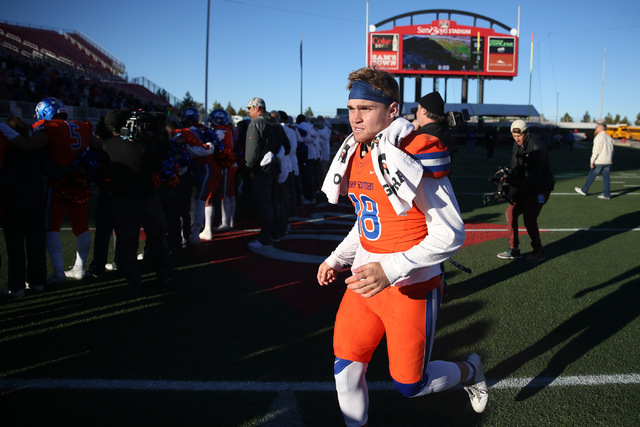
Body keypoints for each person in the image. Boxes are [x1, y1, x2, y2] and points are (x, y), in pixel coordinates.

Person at [317, 67, 487, 427]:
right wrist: (337, 258)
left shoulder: (411, 153)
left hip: (409, 287)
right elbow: (368, 218)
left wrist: (390, 268)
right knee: (345, 369)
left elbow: (451, 233)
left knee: (412, 385)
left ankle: (470, 371)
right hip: (364, 282)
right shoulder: (359, 150)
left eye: (365, 108)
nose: (355, 117)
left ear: (392, 110)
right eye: (351, 108)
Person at [0, 97, 102, 284]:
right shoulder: (82, 125)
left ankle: (58, 271)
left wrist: (5, 128)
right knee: (81, 226)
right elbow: (101, 147)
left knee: (52, 227)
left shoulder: (50, 128)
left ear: (44, 112)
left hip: (58, 183)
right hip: (79, 182)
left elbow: (27, 145)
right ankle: (80, 267)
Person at [102, 108, 178, 293]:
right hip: (146, 199)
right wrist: (156, 138)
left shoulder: (107, 145)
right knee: (158, 238)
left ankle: (134, 282)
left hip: (122, 200)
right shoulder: (142, 145)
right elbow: (158, 165)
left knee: (127, 243)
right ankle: (164, 274)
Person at [497, 120, 555, 263]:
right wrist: (508, 181)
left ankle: (538, 250)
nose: (516, 139)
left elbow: (535, 176)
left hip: (540, 188)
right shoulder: (517, 144)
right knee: (511, 212)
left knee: (529, 218)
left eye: (519, 135)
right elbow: (515, 166)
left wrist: (516, 188)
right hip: (526, 186)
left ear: (527, 133)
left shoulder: (538, 148)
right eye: (514, 135)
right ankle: (514, 249)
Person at [244, 97, 284, 249]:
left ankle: (266, 238)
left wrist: (249, 168)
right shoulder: (277, 124)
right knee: (275, 201)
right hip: (275, 170)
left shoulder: (256, 123)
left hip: (261, 171)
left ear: (257, 108)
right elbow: (285, 146)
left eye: (249, 108)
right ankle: (277, 232)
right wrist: (276, 158)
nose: (248, 111)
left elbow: (252, 152)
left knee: (265, 205)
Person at [575, 122, 614, 200]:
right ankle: (606, 194)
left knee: (592, 175)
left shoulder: (599, 137)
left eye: (597, 127)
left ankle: (584, 190)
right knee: (606, 177)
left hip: (600, 160)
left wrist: (592, 161)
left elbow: (596, 150)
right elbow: (612, 150)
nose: (596, 129)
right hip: (608, 160)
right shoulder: (609, 138)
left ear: (600, 128)